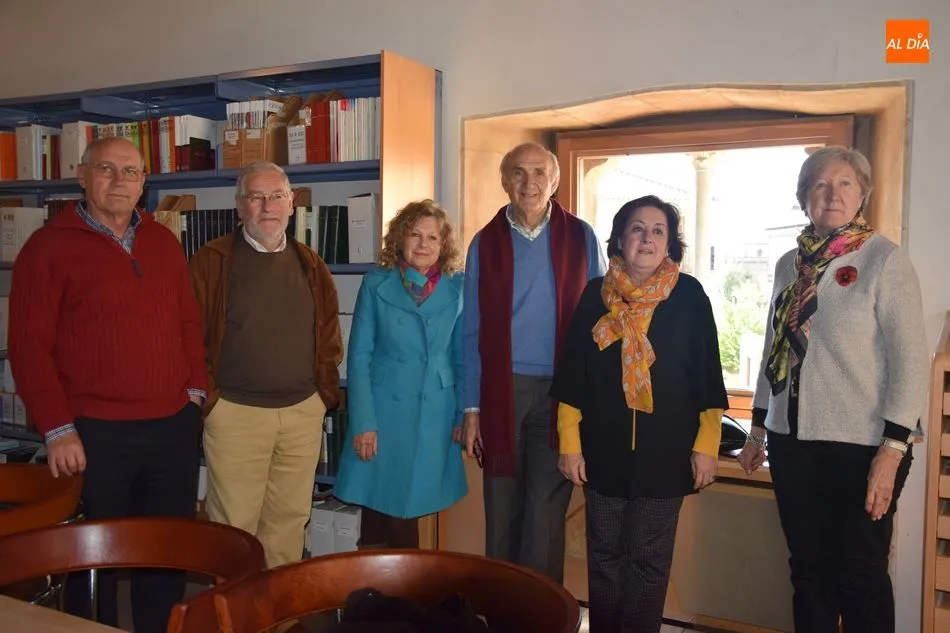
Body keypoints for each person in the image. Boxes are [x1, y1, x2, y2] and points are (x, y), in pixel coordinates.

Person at [7, 137, 206, 633]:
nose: (120, 181)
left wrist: (195, 394)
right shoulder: (47, 248)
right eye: (107, 169)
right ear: (81, 174)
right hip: (93, 434)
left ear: (145, 182)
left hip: (171, 429)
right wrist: (56, 429)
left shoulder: (162, 241)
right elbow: (29, 347)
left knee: (164, 553)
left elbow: (188, 324)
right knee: (87, 559)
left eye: (132, 172)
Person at [737, 146, 928, 633]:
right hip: (792, 441)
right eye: (820, 184)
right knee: (809, 570)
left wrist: (893, 449)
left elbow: (910, 361)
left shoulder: (884, 260)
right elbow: (773, 348)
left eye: (845, 183)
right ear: (804, 198)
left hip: (864, 446)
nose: (832, 193)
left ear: (863, 193)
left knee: (859, 573)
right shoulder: (789, 264)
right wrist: (759, 427)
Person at [550, 195, 727, 633]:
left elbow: (708, 377)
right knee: (605, 558)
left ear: (670, 244)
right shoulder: (596, 294)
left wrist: (706, 447)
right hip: (603, 454)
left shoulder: (690, 297)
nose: (646, 238)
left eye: (658, 230)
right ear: (620, 239)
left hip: (665, 457)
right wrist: (570, 444)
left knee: (648, 562)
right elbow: (573, 375)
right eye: (637, 228)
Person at [461, 141, 606, 582]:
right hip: (502, 391)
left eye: (539, 172)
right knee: (502, 508)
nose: (530, 182)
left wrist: (594, 398)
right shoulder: (484, 243)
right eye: (519, 173)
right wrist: (471, 408)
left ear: (555, 181)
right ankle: (502, 609)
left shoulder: (581, 235)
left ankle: (539, 613)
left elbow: (598, 319)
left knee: (545, 513)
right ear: (504, 182)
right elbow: (470, 329)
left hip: (562, 395)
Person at [188, 161, 343, 569]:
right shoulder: (212, 260)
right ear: (240, 207)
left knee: (289, 523)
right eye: (256, 197)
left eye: (276, 196)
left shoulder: (310, 262)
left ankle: (277, 620)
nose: (267, 206)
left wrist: (321, 396)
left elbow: (328, 334)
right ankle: (234, 620)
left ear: (292, 204)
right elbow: (188, 337)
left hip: (300, 415)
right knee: (234, 530)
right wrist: (212, 402)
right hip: (235, 414)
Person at [333, 199, 467, 548]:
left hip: (435, 413)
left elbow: (462, 357)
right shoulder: (376, 283)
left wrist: (463, 415)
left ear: (444, 245)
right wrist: (363, 423)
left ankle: (407, 592)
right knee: (385, 511)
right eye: (414, 234)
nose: (423, 244)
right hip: (384, 413)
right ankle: (380, 595)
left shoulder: (458, 287)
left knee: (413, 507)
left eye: (433, 237)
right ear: (399, 240)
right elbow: (359, 356)